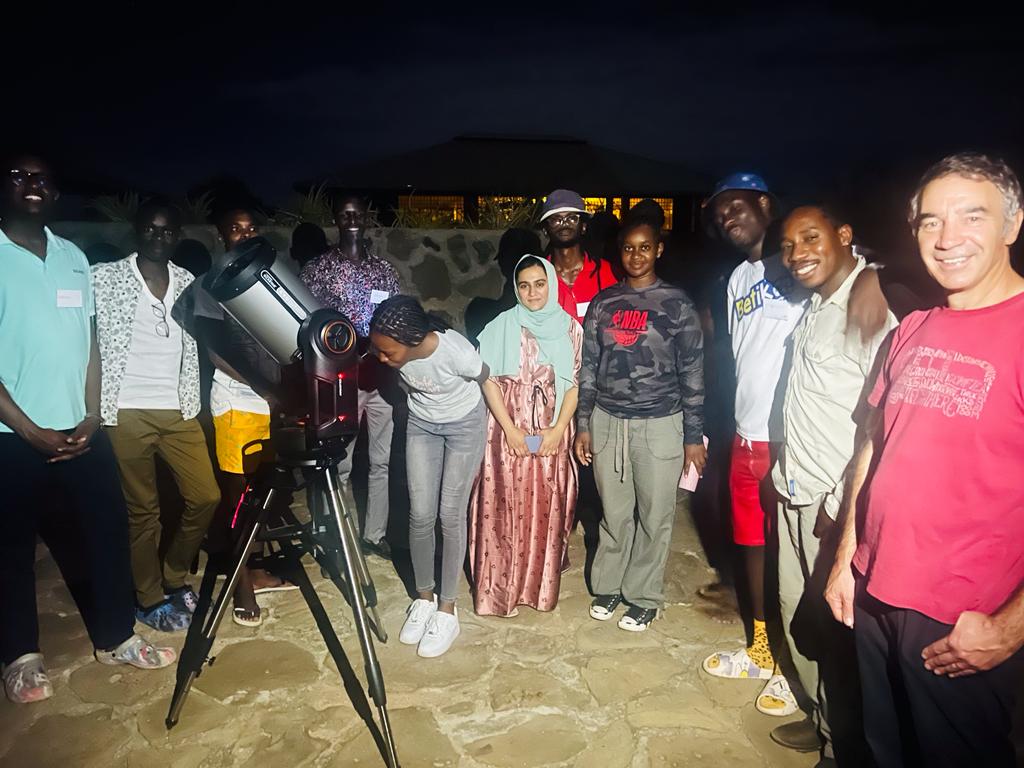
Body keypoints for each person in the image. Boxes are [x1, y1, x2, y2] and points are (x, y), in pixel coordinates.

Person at [825, 153, 1024, 768]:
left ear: (1013, 225)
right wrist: (844, 562)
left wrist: (1011, 628)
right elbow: (875, 447)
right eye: (930, 221)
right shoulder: (915, 327)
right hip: (876, 594)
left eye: (972, 217)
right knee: (885, 752)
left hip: (964, 622)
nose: (948, 238)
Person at [700, 173, 889, 726]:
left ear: (764, 204)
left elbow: (856, 260)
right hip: (754, 437)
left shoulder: (818, 275)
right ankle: (770, 656)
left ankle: (814, 690)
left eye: (736, 206)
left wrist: (877, 271)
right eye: (718, 214)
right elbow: (743, 350)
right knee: (757, 554)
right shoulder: (744, 279)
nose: (726, 219)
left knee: (811, 577)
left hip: (803, 451)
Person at [0, 155, 174, 704]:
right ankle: (22, 657)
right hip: (11, 437)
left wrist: (94, 414)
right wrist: (28, 430)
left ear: (56, 194)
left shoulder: (74, 257)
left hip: (81, 430)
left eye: (44, 178)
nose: (34, 184)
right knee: (10, 551)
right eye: (20, 176)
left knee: (106, 534)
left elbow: (92, 344)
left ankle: (116, 636)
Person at [771, 206, 895, 767]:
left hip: (832, 505)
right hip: (793, 489)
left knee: (837, 632)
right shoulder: (815, 305)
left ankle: (846, 748)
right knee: (802, 618)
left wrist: (841, 502)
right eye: (789, 243)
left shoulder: (875, 307)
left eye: (811, 238)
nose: (797, 252)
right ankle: (825, 724)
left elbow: (881, 426)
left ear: (845, 236)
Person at [574, 203, 707, 632]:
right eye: (629, 248)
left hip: (661, 424)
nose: (636, 256)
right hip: (609, 422)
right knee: (614, 513)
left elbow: (693, 372)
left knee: (655, 516)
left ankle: (643, 595)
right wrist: (583, 424)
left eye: (645, 247)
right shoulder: (604, 303)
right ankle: (609, 586)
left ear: (659, 249)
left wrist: (693, 436)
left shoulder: (677, 305)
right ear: (620, 252)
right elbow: (589, 366)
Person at [92, 201, 220, 632]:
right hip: (125, 409)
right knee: (143, 512)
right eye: (151, 229)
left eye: (167, 231)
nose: (159, 237)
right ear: (138, 230)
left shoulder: (187, 282)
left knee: (206, 496)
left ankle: (173, 574)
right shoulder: (104, 277)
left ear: (177, 234)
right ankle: (148, 598)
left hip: (179, 408)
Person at [369, 296, 488, 658]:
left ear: (411, 339)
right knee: (420, 514)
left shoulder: (457, 352)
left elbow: (485, 377)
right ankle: (424, 597)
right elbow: (406, 385)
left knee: (449, 514)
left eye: (388, 353)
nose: (382, 359)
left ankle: (447, 610)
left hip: (465, 426)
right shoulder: (395, 352)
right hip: (422, 425)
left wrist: (514, 430)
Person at [192, 208, 294, 627]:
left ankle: (252, 569)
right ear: (221, 235)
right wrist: (265, 389)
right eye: (236, 229)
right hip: (237, 404)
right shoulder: (208, 287)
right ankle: (242, 588)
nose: (245, 234)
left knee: (261, 496)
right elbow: (215, 351)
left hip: (268, 408)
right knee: (236, 499)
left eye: (252, 228)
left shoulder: (265, 282)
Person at [470, 255, 582, 617]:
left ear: (551, 283)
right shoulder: (499, 326)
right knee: (502, 503)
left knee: (546, 505)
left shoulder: (571, 330)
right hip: (507, 428)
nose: (532, 292)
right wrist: (510, 429)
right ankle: (500, 590)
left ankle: (536, 587)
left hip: (552, 427)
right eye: (524, 285)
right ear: (515, 289)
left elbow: (575, 384)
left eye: (539, 283)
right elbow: (487, 380)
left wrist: (559, 430)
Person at [301, 195, 401, 559]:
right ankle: (335, 537)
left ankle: (373, 535)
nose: (353, 219)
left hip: (380, 378)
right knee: (338, 464)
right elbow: (308, 322)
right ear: (337, 219)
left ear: (367, 217)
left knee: (381, 461)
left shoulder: (384, 271)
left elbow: (396, 319)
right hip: (340, 379)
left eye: (358, 213)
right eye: (345, 214)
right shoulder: (318, 270)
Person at [541, 189, 617, 325]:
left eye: (572, 218)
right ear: (545, 230)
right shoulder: (536, 276)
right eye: (556, 220)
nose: (564, 224)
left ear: (583, 226)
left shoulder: (609, 272)